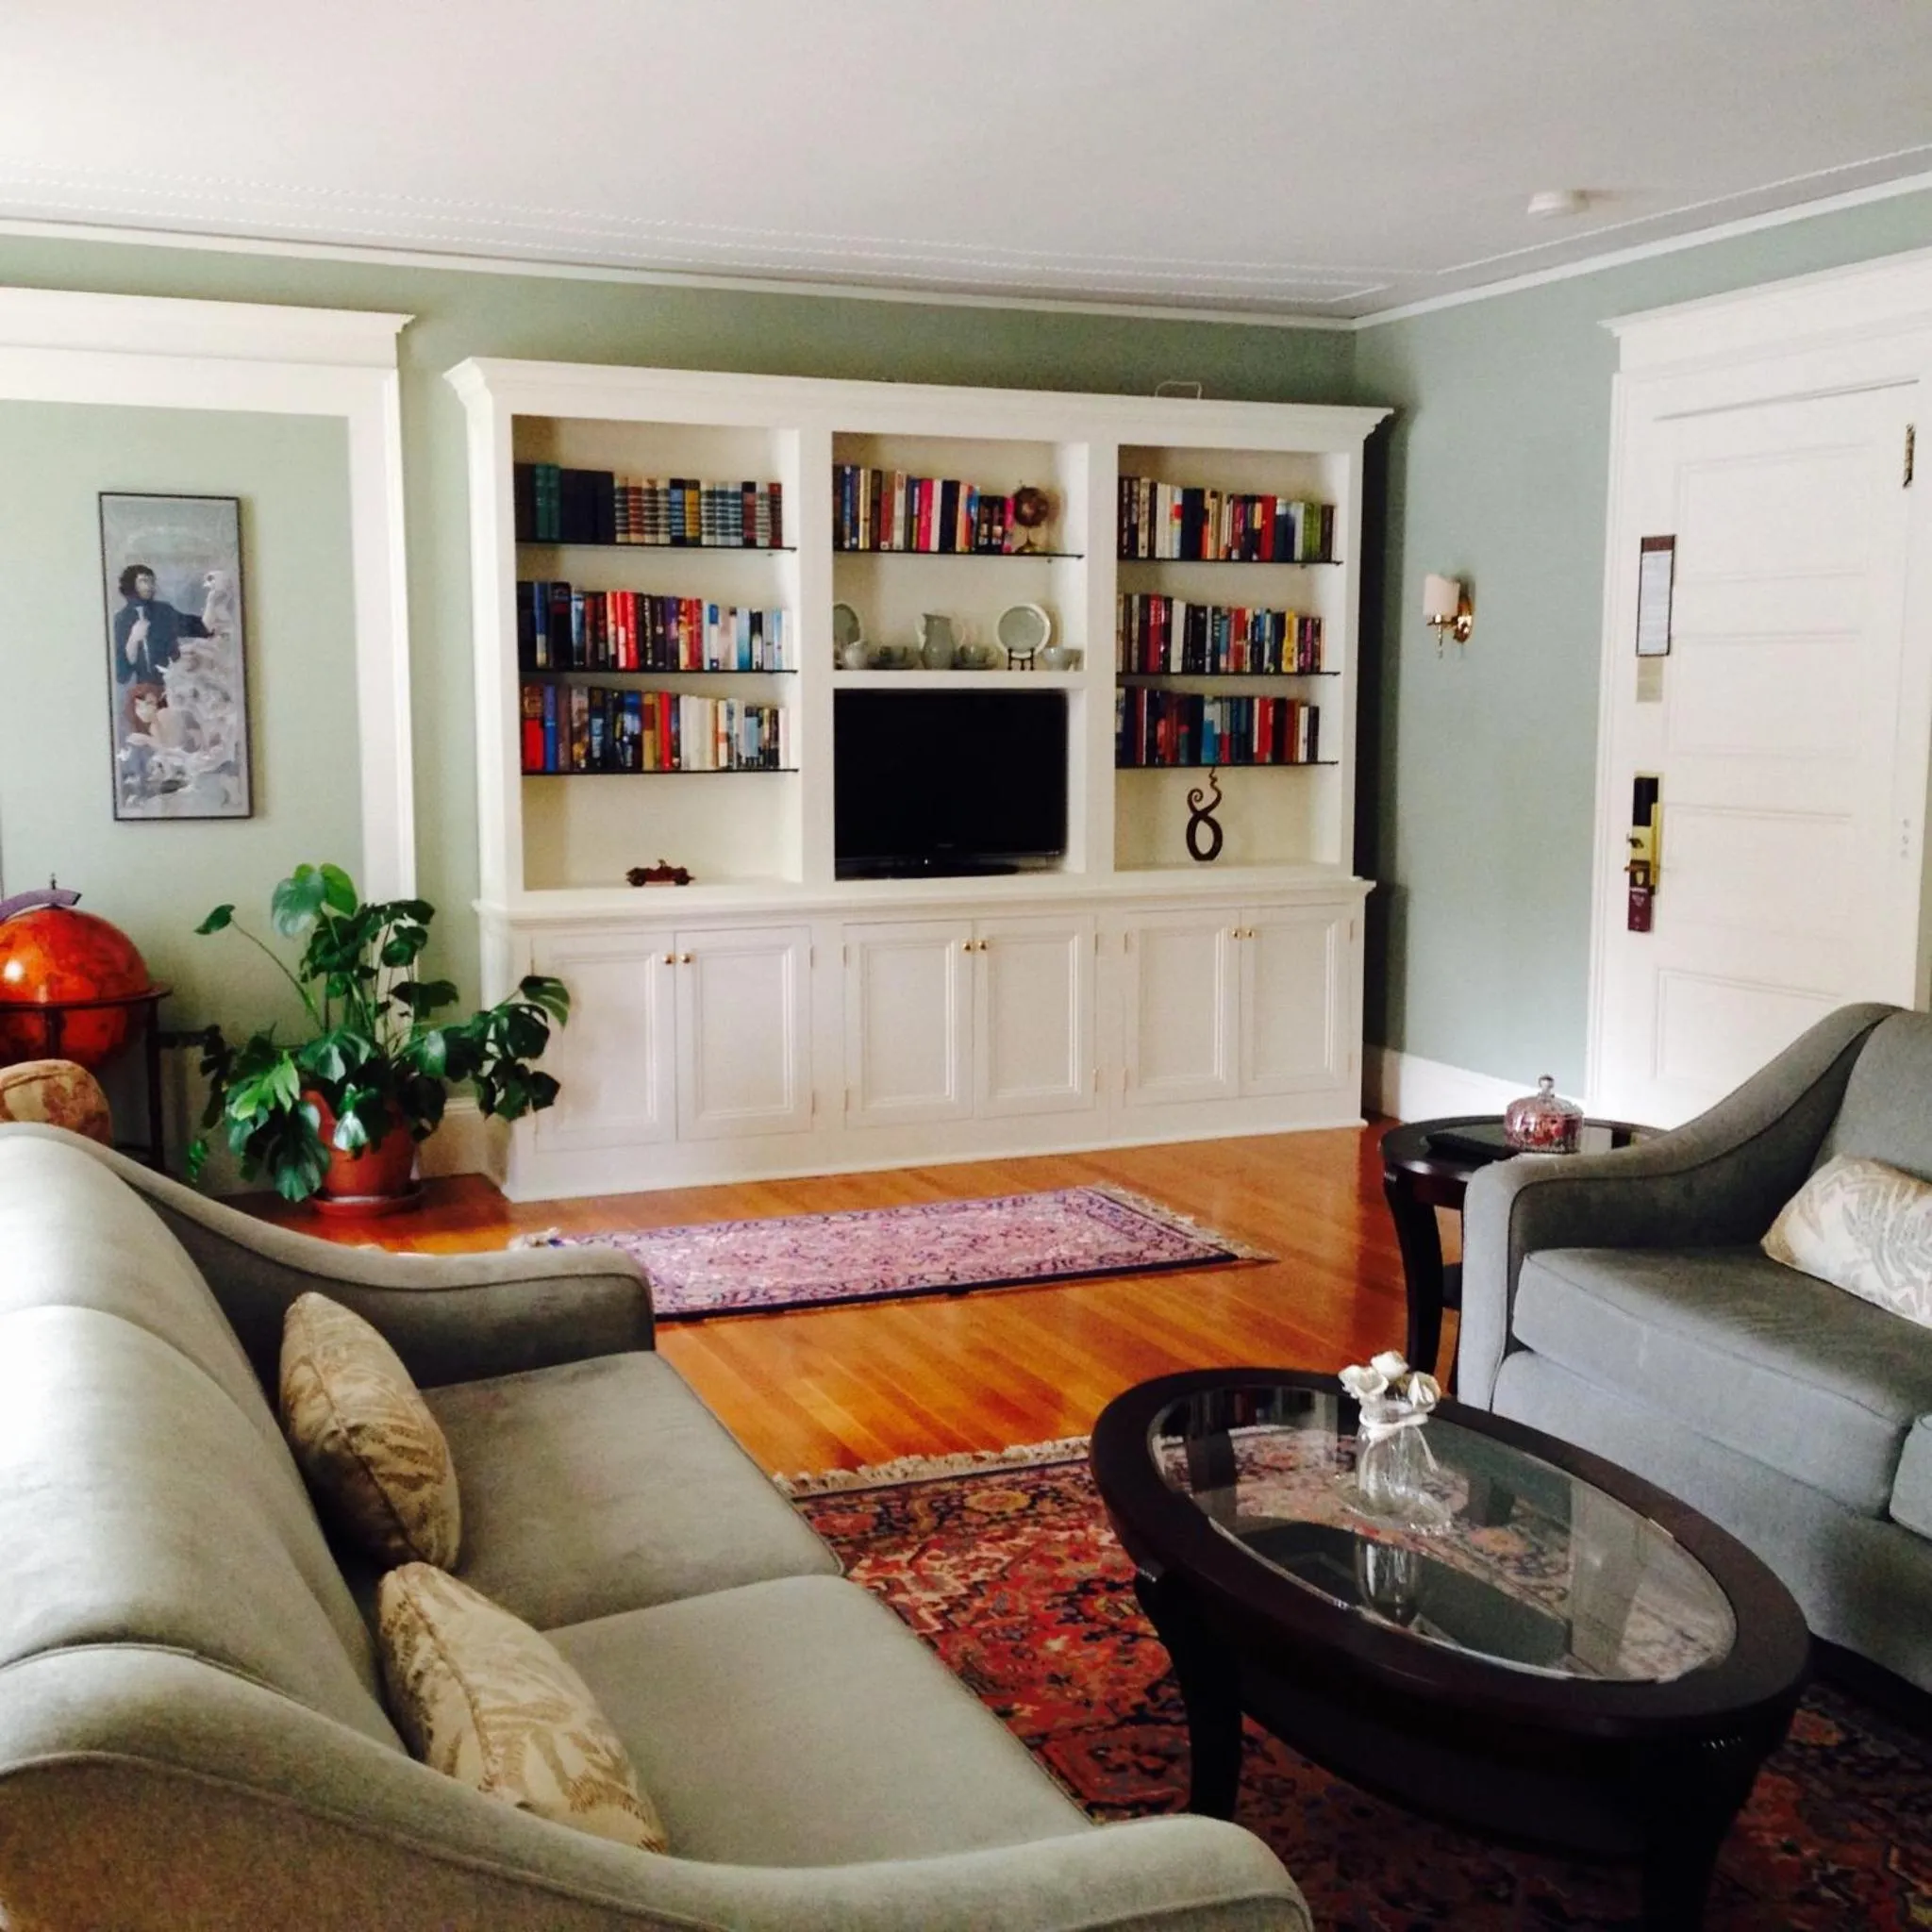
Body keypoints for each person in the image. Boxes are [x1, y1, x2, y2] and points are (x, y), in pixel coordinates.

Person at [111, 564, 211, 686]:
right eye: (143, 581)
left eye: (152, 581)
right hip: (145, 693)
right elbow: (121, 676)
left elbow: (190, 625)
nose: (149, 586)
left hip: (175, 683)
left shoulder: (164, 611)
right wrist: (133, 639)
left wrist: (213, 624)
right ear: (131, 584)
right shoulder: (121, 620)